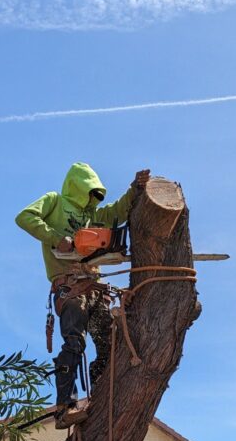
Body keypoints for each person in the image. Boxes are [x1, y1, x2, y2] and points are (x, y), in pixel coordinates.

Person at [16, 162, 150, 426]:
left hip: (95, 288)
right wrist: (56, 237)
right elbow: (25, 217)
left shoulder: (94, 217)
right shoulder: (55, 201)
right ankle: (65, 407)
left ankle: (100, 392)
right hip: (70, 286)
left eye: (95, 194)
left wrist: (136, 189)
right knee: (75, 342)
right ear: (79, 187)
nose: (92, 198)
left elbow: (119, 212)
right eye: (89, 192)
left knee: (109, 341)